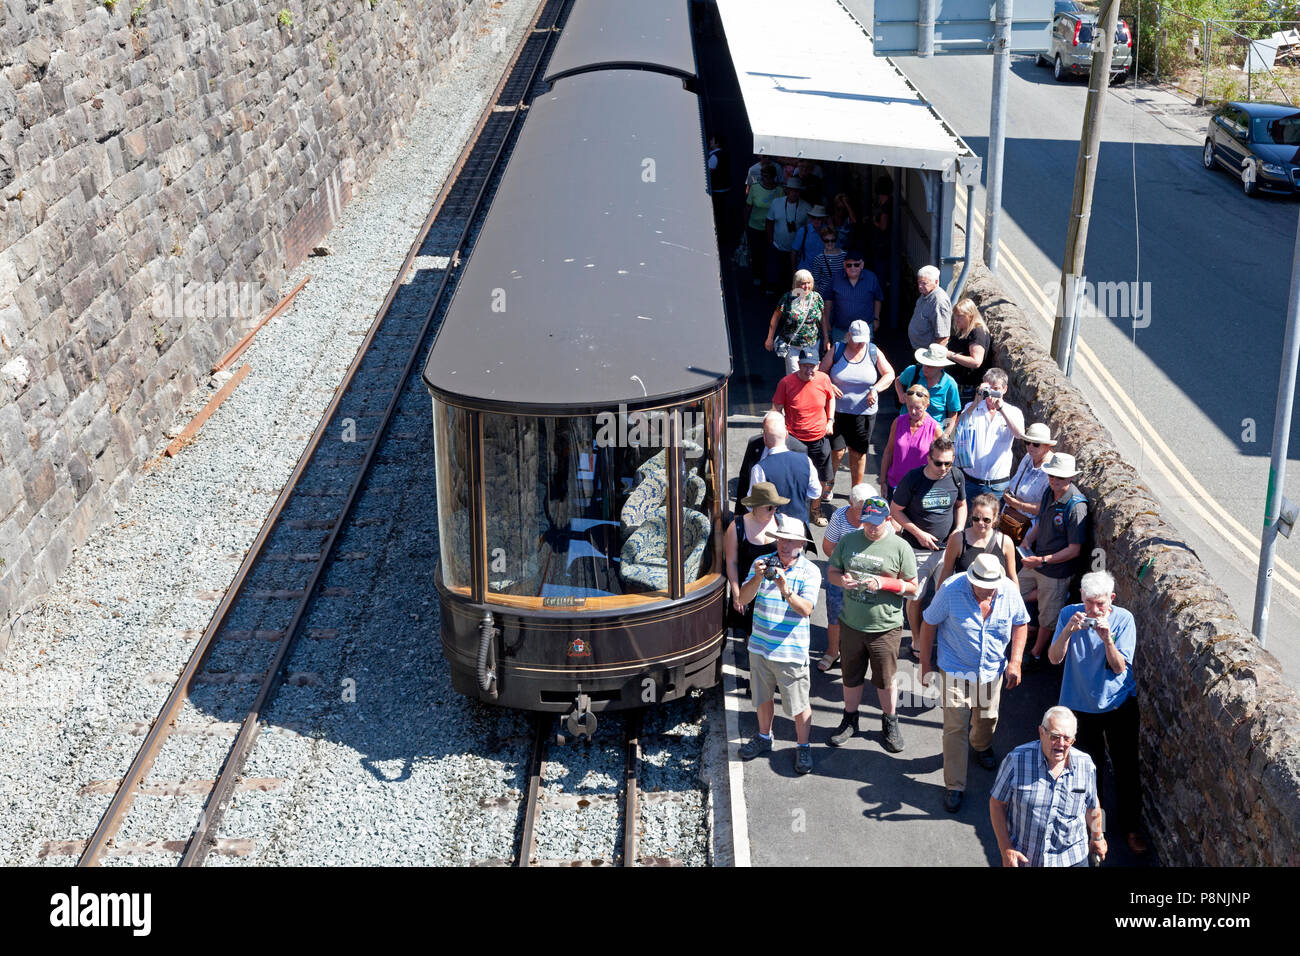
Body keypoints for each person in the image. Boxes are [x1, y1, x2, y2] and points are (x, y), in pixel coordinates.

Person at [917, 553, 1029, 812]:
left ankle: (981, 745)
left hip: (991, 671)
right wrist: (925, 663)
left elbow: (1020, 624)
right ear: (970, 580)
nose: (987, 591)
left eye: (991, 587)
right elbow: (929, 622)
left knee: (988, 718)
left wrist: (1016, 662)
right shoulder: (951, 589)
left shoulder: (1009, 591)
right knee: (955, 727)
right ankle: (954, 785)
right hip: (956, 670)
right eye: (981, 586)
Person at [1048, 570, 1146, 855]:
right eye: (1089, 603)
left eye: (1100, 604)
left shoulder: (1124, 620)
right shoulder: (1069, 614)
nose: (1094, 610)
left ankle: (1131, 827)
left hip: (1118, 706)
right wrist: (1068, 630)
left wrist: (1107, 640)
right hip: (1080, 706)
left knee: (1126, 767)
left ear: (1111, 600)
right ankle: (1095, 830)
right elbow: (1054, 659)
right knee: (1089, 771)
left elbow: (1119, 667)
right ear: (1081, 597)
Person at [826, 496, 918, 753]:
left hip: (885, 628)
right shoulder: (848, 541)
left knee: (886, 680)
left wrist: (884, 583)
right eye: (867, 522)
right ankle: (849, 720)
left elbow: (913, 588)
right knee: (850, 676)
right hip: (851, 624)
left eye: (876, 523)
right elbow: (832, 572)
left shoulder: (900, 548)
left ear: (888, 520)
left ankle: (889, 722)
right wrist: (841, 581)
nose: (871, 527)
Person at [737, 514, 822, 775]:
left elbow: (806, 609)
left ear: (801, 544)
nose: (784, 546)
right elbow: (743, 598)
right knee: (762, 698)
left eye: (790, 541)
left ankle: (803, 746)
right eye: (781, 540)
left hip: (790, 652)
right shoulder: (760, 563)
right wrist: (757, 579)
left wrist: (785, 588)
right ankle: (764, 737)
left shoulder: (810, 571)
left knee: (798, 704)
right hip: (760, 646)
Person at [990, 705, 1106, 867]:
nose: (1060, 744)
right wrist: (1006, 849)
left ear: (1073, 740)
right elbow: (996, 804)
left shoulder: (1086, 765)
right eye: (1054, 736)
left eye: (1067, 739)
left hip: (1072, 858)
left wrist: (1098, 836)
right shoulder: (1016, 761)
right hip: (1025, 859)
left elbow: (1093, 805)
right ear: (1041, 732)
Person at [889, 435, 967, 648]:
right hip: (917, 551)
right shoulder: (913, 479)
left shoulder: (956, 476)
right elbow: (895, 511)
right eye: (938, 462)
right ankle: (916, 640)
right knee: (915, 597)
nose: (943, 468)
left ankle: (941, 639)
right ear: (928, 458)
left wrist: (959, 529)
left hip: (945, 551)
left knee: (945, 596)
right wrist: (918, 533)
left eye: (948, 463)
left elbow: (961, 504)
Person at [1021, 452, 1088, 662]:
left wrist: (1041, 560)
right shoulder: (1050, 492)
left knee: (1047, 619)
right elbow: (1042, 521)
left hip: (1055, 571)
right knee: (1015, 593)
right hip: (1037, 561)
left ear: (1070, 478)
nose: (1053, 480)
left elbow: (1074, 549)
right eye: (1051, 475)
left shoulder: (1076, 507)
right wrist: (1028, 540)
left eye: (1059, 477)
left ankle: (1036, 654)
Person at [818, 481, 886, 672]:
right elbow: (828, 547)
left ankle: (860, 656)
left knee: (867, 618)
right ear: (851, 505)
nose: (867, 514)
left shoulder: (877, 517)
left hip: (870, 578)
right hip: (841, 575)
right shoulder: (840, 516)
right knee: (835, 615)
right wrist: (845, 566)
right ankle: (833, 651)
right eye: (862, 510)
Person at [820, 320, 895, 491]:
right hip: (838, 411)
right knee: (836, 451)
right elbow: (820, 374)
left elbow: (889, 374)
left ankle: (856, 490)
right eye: (857, 339)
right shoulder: (837, 349)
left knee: (858, 452)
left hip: (864, 413)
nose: (861, 344)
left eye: (863, 340)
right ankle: (829, 485)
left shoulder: (873, 351)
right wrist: (830, 385)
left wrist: (875, 389)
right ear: (849, 336)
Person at [771, 350, 836, 525]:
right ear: (799, 365)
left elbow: (831, 398)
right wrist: (778, 429)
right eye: (806, 366)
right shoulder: (786, 383)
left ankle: (815, 509)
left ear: (818, 364)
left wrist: (830, 420)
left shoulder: (823, 379)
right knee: (792, 477)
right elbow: (776, 408)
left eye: (813, 366)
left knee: (823, 476)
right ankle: (791, 511)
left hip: (819, 438)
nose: (810, 370)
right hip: (795, 439)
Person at [950, 368, 1025, 501]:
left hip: (997, 485)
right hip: (970, 482)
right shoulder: (972, 407)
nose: (991, 394)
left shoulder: (1013, 412)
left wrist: (1001, 409)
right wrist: (975, 402)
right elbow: (958, 426)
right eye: (988, 389)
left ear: (1004, 389)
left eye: (995, 388)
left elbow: (1019, 435)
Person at [726, 483, 783, 641]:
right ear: (755, 507)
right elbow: (731, 562)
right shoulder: (737, 527)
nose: (773, 511)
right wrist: (737, 593)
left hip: (772, 591)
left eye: (775, 507)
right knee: (751, 636)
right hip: (748, 588)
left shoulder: (781, 523)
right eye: (769, 508)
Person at [748, 411, 820, 526]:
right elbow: (816, 492)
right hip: (800, 524)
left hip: (772, 526)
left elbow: (752, 504)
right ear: (786, 435)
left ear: (765, 439)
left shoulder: (760, 468)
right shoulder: (806, 460)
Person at [937, 493, 1017, 591]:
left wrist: (1016, 601)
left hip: (994, 599)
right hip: (963, 597)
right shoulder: (958, 539)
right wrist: (939, 598)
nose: (980, 523)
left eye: (986, 520)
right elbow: (947, 572)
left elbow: (1012, 577)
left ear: (995, 517)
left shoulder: (1005, 542)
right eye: (976, 518)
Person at [735, 411, 808, 514]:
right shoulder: (754, 443)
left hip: (787, 515)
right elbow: (744, 478)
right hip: (756, 513)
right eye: (765, 431)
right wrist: (738, 512)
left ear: (786, 432)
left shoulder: (798, 449)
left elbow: (805, 490)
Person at [879, 385, 939, 495]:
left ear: (927, 406)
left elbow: (941, 461)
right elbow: (888, 452)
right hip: (895, 485)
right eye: (910, 407)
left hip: (921, 488)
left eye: (917, 408)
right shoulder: (898, 422)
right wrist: (882, 481)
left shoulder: (935, 428)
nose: (913, 411)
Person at [764, 270, 824, 375]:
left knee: (811, 375)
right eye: (803, 283)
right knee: (794, 376)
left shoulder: (816, 298)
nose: (806, 286)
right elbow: (776, 317)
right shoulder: (787, 298)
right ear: (796, 284)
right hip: (792, 346)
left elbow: (823, 318)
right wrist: (770, 338)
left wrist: (826, 338)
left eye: (809, 283)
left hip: (812, 345)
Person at [892, 344, 962, 433]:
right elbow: (898, 380)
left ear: (941, 367)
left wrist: (946, 436)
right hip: (906, 429)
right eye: (924, 363)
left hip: (933, 433)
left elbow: (953, 413)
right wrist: (900, 394)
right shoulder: (913, 371)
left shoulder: (950, 384)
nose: (925, 368)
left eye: (930, 366)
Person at [1002, 422, 1055, 536]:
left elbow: (1047, 508)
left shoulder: (1052, 470)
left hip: (1027, 529)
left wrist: (1018, 505)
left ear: (1047, 446)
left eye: (1036, 444)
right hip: (1009, 517)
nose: (1030, 446)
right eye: (1027, 442)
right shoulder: (1028, 456)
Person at [822, 251, 884, 347]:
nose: (853, 268)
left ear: (862, 264)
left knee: (864, 358)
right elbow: (828, 301)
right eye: (849, 265)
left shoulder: (871, 278)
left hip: (864, 330)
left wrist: (876, 318)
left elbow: (878, 299)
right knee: (838, 358)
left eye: (856, 264)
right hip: (840, 329)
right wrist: (827, 322)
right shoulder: (835, 278)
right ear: (844, 265)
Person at [766, 177, 810, 293]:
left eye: (797, 190)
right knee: (776, 272)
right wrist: (771, 241)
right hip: (778, 246)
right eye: (792, 190)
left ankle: (790, 295)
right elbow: (769, 221)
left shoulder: (806, 207)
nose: (794, 193)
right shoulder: (776, 203)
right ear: (787, 190)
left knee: (792, 275)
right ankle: (773, 293)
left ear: (800, 192)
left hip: (795, 250)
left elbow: (808, 229)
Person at [946, 298, 991, 401]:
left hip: (967, 386)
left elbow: (976, 362)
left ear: (970, 315)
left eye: (959, 316)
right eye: (955, 315)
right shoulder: (964, 329)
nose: (956, 319)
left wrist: (951, 355)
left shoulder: (977, 333)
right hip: (958, 381)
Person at [744, 164, 781, 287]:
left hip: (772, 228)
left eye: (768, 177)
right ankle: (756, 275)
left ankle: (767, 278)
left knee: (769, 254)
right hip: (755, 227)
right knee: (756, 253)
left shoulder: (779, 191)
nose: (765, 179)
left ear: (774, 177)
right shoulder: (755, 188)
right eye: (763, 176)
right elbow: (748, 207)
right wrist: (745, 226)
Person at [908, 264, 952, 351]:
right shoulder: (925, 294)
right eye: (919, 282)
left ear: (936, 282)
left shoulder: (939, 301)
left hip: (927, 353)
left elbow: (943, 337)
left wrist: (932, 358)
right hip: (918, 349)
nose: (920, 286)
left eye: (924, 283)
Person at [708, 134, 733, 247]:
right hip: (725, 188)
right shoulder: (724, 154)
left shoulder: (714, 157)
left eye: (712, 141)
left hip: (717, 190)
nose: (710, 142)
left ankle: (718, 238)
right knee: (722, 213)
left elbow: (710, 171)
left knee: (717, 214)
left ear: (717, 143)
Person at [809, 227, 846, 298]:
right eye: (827, 241)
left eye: (833, 240)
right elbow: (816, 282)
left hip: (841, 294)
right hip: (824, 295)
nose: (830, 243)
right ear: (822, 241)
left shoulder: (844, 256)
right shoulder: (818, 258)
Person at [792, 205, 831, 274]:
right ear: (810, 218)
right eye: (813, 218)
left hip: (823, 273)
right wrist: (794, 270)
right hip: (804, 272)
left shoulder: (829, 232)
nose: (816, 220)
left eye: (819, 218)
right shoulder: (803, 231)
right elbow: (794, 252)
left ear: (823, 219)